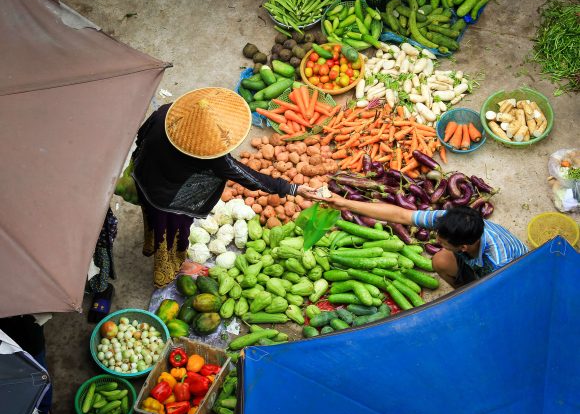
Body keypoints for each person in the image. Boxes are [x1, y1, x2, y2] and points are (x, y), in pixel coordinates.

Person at [130, 87, 313, 287]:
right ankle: (172, 267)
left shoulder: (166, 113)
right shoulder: (210, 157)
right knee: (172, 234)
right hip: (167, 198)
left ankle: (150, 243)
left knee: (152, 217)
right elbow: (249, 178)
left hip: (143, 174)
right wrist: (291, 189)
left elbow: (140, 137)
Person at [310, 193, 528, 288]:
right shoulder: (450, 220)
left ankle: (473, 296)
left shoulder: (499, 262)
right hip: (480, 264)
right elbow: (401, 215)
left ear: (463, 247)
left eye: (443, 242)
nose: (436, 241)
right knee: (440, 261)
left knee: (489, 297)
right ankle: (466, 292)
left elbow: (510, 292)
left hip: (515, 277)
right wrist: (345, 204)